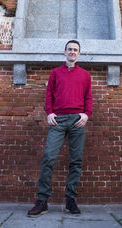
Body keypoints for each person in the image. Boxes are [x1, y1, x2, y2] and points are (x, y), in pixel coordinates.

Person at [27, 40, 92, 217]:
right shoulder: (55, 73)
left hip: (78, 120)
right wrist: (49, 112)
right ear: (64, 52)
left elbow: (88, 97)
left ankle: (71, 199)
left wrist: (86, 114)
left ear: (79, 54)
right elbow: (49, 94)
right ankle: (42, 201)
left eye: (75, 50)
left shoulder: (85, 75)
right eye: (69, 49)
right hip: (58, 120)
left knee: (76, 160)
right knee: (48, 157)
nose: (72, 52)